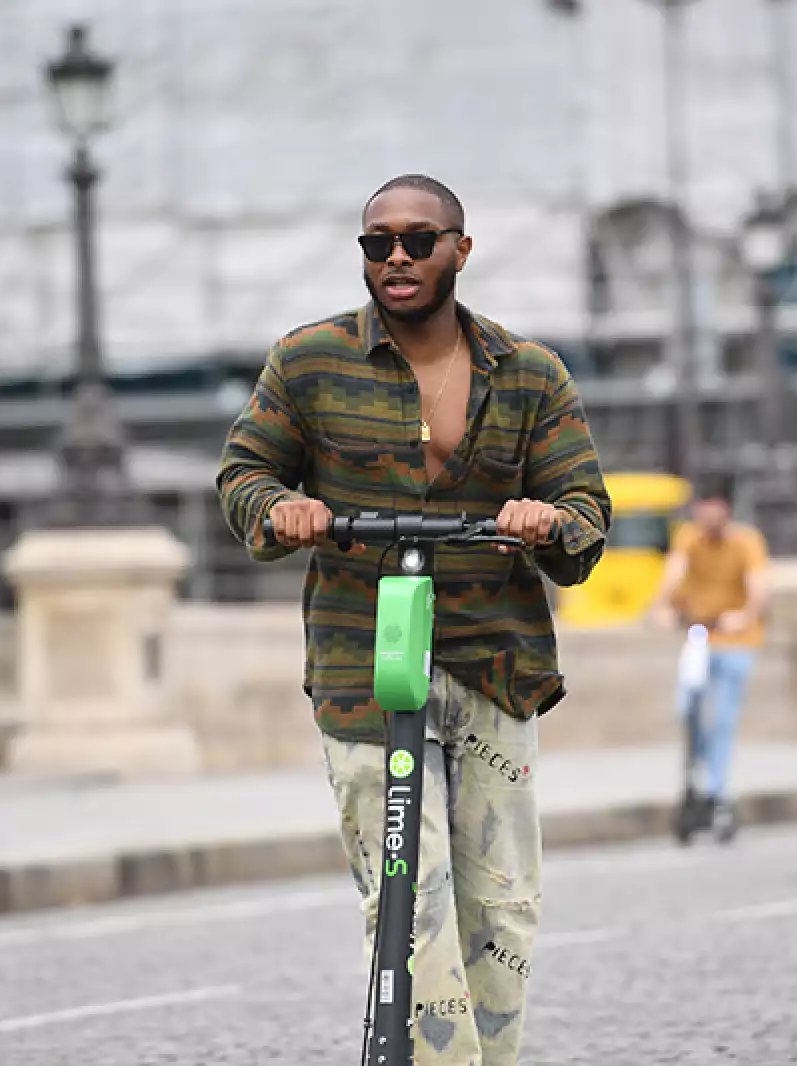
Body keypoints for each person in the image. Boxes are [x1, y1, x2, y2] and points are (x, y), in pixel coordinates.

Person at [216, 174, 610, 1065]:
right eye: (376, 243)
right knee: (410, 899)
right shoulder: (309, 361)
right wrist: (282, 508)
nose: (396, 257)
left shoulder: (530, 374)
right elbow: (242, 475)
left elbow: (585, 513)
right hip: (366, 665)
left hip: (494, 665)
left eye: (418, 240)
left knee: (501, 907)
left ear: (459, 250)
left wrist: (545, 520)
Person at [650, 477, 770, 833]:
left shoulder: (746, 542)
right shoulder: (690, 538)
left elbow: (759, 587)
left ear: (727, 510)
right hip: (699, 635)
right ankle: (696, 777)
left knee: (722, 718)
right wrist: (661, 608)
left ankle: (717, 791)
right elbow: (674, 575)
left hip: (736, 640)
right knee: (687, 707)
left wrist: (746, 615)